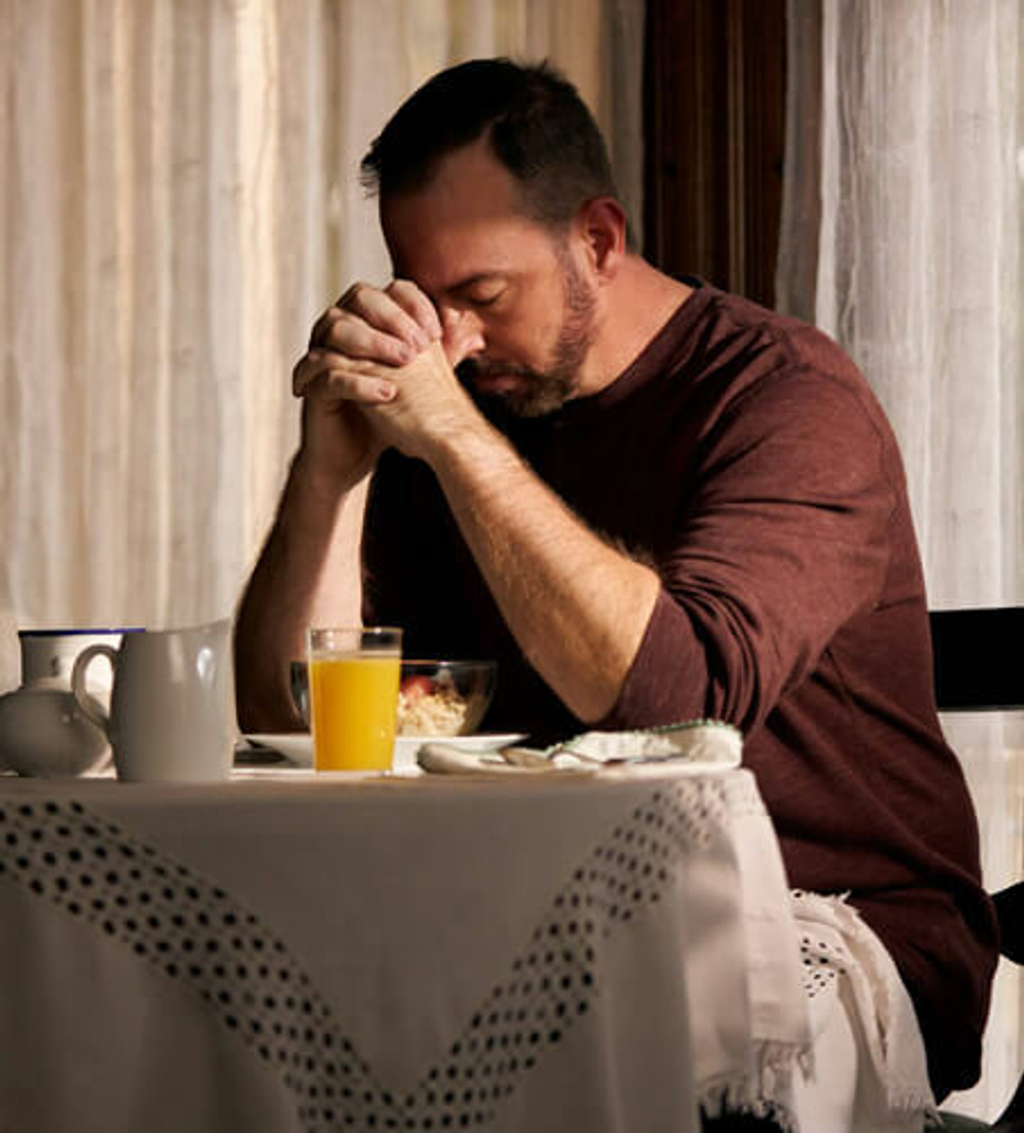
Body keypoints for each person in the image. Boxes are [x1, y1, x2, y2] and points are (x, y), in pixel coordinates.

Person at [234, 57, 997, 1124]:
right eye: (426, 292)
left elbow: (671, 693)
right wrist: (329, 472)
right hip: (536, 906)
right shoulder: (458, 412)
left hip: (820, 920)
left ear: (597, 238)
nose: (450, 339)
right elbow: (293, 717)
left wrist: (450, 438)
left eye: (482, 294)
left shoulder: (789, 400)